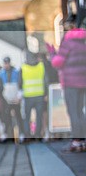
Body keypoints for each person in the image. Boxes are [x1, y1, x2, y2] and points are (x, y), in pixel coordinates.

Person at [51, 15, 86, 152]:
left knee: (73, 112)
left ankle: (76, 141)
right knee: (80, 111)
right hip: (83, 82)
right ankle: (82, 140)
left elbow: (57, 62)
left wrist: (52, 53)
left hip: (71, 83)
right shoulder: (83, 41)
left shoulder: (67, 42)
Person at [18, 51, 47, 141]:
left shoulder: (23, 68)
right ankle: (38, 134)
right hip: (39, 95)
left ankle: (27, 134)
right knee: (39, 116)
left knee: (27, 116)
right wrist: (46, 94)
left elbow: (20, 82)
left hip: (28, 96)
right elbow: (46, 80)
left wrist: (20, 93)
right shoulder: (41, 66)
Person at [0, 56, 23, 140]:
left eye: (7, 63)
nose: (6, 65)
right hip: (6, 99)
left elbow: (20, 84)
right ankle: (6, 133)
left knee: (18, 116)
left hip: (15, 97)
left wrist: (19, 96)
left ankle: (21, 133)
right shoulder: (1, 73)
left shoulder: (16, 71)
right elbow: (0, 87)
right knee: (6, 117)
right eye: (5, 63)